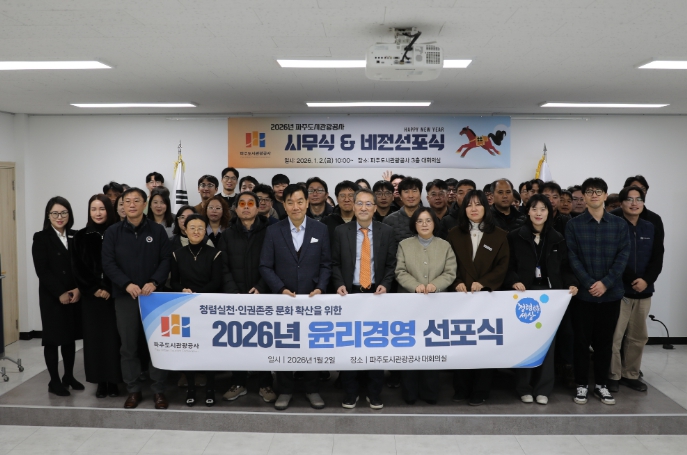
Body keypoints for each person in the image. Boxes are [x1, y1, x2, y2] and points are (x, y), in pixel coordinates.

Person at [259, 184, 331, 411]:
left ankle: (312, 389)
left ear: (307, 203)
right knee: (284, 346)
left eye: (300, 201)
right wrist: (280, 289)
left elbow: (326, 264)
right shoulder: (274, 230)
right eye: (290, 202)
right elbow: (265, 265)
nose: (295, 206)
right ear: (284, 204)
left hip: (312, 299)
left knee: (312, 345)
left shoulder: (320, 230)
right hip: (284, 300)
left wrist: (320, 288)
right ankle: (285, 390)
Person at [102, 187, 173, 410]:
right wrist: (126, 284)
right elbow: (108, 263)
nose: (131, 205)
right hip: (126, 296)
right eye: (127, 201)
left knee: (157, 344)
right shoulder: (113, 232)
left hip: (154, 297)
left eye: (136, 201)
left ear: (145, 204)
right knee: (128, 346)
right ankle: (133, 389)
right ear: (122, 205)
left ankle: (159, 390)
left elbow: (166, 260)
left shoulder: (157, 231)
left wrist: (154, 282)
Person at [504, 194, 578, 405]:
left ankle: (544, 388)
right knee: (524, 342)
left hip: (549, 297)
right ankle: (523, 387)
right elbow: (507, 266)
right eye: (534, 209)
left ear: (549, 212)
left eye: (543, 209)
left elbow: (565, 267)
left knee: (548, 344)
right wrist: (514, 281)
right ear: (527, 211)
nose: (538, 213)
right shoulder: (515, 236)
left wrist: (572, 284)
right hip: (524, 295)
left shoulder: (557, 238)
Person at [565, 177, 630, 406]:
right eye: (590, 191)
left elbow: (623, 256)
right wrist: (589, 283)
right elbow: (572, 256)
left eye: (598, 191)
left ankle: (602, 385)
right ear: (583, 196)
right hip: (583, 295)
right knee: (581, 342)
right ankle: (582, 384)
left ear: (605, 195)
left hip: (610, 294)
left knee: (605, 342)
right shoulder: (573, 225)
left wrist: (606, 283)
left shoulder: (619, 224)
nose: (594, 195)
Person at [332, 189, 398, 410]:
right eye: (359, 203)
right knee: (349, 344)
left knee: (375, 344)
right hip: (349, 293)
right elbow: (334, 262)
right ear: (353, 206)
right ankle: (350, 393)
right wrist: (339, 283)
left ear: (375, 208)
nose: (363, 208)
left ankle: (374, 393)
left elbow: (391, 264)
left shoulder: (386, 231)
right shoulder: (341, 231)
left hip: (376, 294)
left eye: (368, 204)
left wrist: (386, 284)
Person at [447, 189, 509, 406]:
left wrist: (484, 283)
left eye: (478, 204)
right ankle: (461, 388)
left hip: (486, 298)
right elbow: (448, 263)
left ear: (486, 207)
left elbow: (502, 266)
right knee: (461, 343)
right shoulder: (454, 233)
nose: (473, 209)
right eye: (469, 205)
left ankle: (481, 390)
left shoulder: (499, 235)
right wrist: (456, 282)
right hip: (460, 297)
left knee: (484, 344)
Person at [395, 207, 457, 405]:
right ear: (414, 224)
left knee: (431, 348)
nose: (424, 224)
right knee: (410, 348)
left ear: (434, 223)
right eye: (420, 221)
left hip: (436, 304)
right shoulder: (404, 245)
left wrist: (434, 285)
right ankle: (409, 393)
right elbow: (400, 271)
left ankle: (430, 392)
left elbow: (450, 272)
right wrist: (415, 286)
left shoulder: (445, 246)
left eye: (428, 220)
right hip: (409, 304)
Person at [219, 191, 276, 404]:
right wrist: (233, 291)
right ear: (235, 208)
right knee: (237, 341)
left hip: (263, 295)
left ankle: (265, 383)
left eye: (250, 203)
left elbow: (275, 263)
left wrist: (261, 286)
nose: (245, 207)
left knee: (264, 340)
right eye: (241, 203)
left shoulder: (270, 231)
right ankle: (238, 382)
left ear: (258, 207)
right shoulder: (227, 234)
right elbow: (222, 266)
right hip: (236, 297)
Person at [608, 186, 663, 393]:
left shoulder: (650, 227)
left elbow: (657, 257)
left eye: (638, 199)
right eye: (629, 199)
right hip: (619, 290)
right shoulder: (614, 225)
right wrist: (633, 279)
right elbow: (614, 257)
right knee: (615, 336)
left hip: (644, 291)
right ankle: (613, 375)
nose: (634, 203)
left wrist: (646, 281)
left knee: (638, 337)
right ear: (621, 203)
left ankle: (630, 374)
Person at [32, 196, 83, 397]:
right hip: (52, 297)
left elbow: (82, 265)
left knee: (69, 338)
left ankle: (68, 376)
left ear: (69, 214)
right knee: (53, 339)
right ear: (48, 215)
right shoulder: (41, 237)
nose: (59, 217)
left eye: (63, 213)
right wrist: (60, 292)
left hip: (74, 294)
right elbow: (42, 270)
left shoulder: (76, 236)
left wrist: (78, 289)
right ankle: (54, 381)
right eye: (55, 213)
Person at [169, 214, 222, 407]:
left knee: (209, 351)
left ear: (205, 230)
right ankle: (191, 388)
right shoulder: (177, 254)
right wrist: (183, 291)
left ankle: (210, 389)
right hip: (186, 308)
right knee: (189, 350)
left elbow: (217, 281)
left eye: (200, 228)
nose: (196, 231)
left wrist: (199, 295)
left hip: (208, 308)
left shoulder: (215, 253)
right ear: (185, 229)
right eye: (192, 227)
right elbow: (174, 282)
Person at [72, 194, 122, 399]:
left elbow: (121, 264)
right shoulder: (81, 236)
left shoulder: (118, 232)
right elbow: (77, 267)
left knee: (114, 340)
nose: (98, 213)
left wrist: (109, 287)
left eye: (102, 208)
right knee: (95, 341)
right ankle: (101, 382)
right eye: (93, 209)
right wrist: (93, 288)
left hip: (114, 295)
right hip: (91, 298)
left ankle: (114, 381)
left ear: (108, 210)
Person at [383, 177, 423, 244]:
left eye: (414, 191)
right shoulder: (389, 220)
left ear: (420, 194)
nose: (410, 196)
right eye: (406, 192)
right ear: (400, 196)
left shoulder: (431, 217)